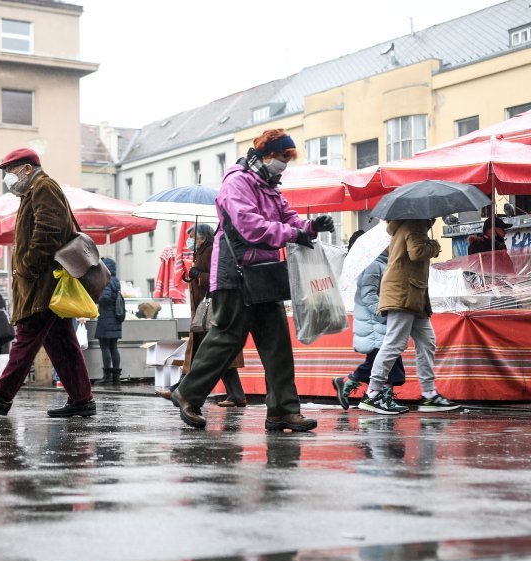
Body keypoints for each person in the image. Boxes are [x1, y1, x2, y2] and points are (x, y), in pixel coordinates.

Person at [170, 129, 334, 431]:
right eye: (282, 158)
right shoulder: (238, 182)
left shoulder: (269, 186)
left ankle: (283, 411)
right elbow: (251, 227)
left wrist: (310, 226)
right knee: (227, 337)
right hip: (234, 271)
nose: (284, 165)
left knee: (277, 343)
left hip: (263, 272)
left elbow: (288, 218)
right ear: (265, 155)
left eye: (288, 159)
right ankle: (186, 393)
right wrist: (293, 234)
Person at [0, 148, 96, 418]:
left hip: (42, 283)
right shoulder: (34, 190)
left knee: (26, 337)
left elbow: (48, 231)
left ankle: (1, 394)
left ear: (26, 169)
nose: (8, 178)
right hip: (43, 281)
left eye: (10, 172)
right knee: (62, 343)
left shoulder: (43, 187)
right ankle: (82, 399)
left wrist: (27, 266)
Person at [359, 219, 460, 414]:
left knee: (426, 341)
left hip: (414, 295)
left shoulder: (408, 225)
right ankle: (372, 393)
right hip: (404, 294)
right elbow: (417, 252)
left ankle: (429, 394)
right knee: (394, 342)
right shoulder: (415, 224)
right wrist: (435, 245)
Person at [156, 223, 247, 406]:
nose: (190, 241)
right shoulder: (202, 252)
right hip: (203, 312)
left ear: (203, 237)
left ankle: (180, 391)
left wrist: (198, 274)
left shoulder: (211, 251)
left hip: (211, 312)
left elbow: (215, 278)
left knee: (207, 355)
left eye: (193, 237)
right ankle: (236, 395)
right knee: (211, 355)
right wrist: (191, 276)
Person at [331, 250, 408, 414]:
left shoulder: (386, 263)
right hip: (375, 324)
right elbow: (369, 295)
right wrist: (384, 314)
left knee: (386, 362)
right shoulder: (373, 264)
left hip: (381, 324)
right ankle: (359, 388)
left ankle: (378, 395)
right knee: (383, 362)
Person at [93, 257, 123, 386]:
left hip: (106, 318)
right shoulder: (116, 281)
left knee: (105, 347)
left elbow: (104, 298)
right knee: (113, 347)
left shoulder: (106, 281)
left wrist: (96, 296)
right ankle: (116, 377)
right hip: (115, 319)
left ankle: (107, 377)